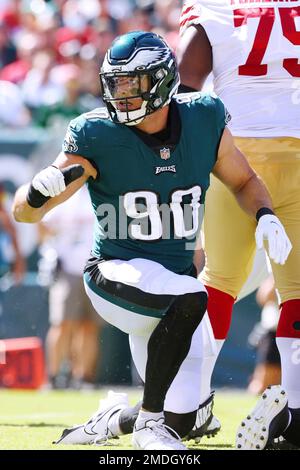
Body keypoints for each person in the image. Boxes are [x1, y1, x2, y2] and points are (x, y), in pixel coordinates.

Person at [12, 31, 291, 450]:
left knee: (188, 417)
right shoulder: (96, 133)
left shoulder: (204, 117)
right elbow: (25, 212)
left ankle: (116, 418)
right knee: (193, 294)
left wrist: (265, 214)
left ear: (161, 81)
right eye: (115, 84)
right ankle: (147, 424)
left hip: (171, 288)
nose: (120, 95)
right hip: (115, 274)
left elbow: (244, 179)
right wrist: (37, 191)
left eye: (131, 84)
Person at [177, 0, 300, 450]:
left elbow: (186, 81)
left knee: (220, 280)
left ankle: (185, 403)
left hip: (235, 152)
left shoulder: (215, 6)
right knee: (298, 292)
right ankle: (297, 414)